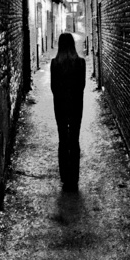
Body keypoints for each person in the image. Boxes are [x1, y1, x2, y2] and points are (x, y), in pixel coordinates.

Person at [50, 32, 86, 191]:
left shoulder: (54, 63)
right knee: (75, 140)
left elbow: (53, 87)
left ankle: (65, 177)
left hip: (60, 106)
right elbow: (82, 86)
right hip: (76, 105)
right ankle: (74, 178)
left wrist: (62, 96)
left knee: (63, 140)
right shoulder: (81, 63)